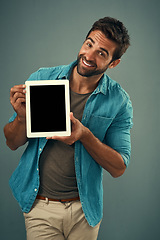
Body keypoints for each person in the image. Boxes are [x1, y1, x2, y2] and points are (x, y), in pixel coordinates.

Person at [4, 17, 133, 240]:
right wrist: (22, 118)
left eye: (102, 53)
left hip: (85, 211)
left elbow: (119, 167)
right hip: (40, 207)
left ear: (113, 63)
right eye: (89, 44)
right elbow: (12, 142)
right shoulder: (42, 79)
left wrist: (84, 135)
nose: (89, 56)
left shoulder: (119, 102)